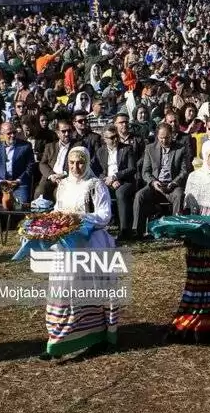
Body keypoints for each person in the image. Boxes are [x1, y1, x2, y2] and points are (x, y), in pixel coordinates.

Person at [157, 141, 210, 340]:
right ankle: (196, 316)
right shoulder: (194, 178)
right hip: (199, 235)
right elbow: (188, 208)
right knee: (199, 277)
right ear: (205, 157)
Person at [39, 147, 118, 359]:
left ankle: (97, 335)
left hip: (90, 243)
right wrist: (50, 221)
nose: (75, 167)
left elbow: (104, 215)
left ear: (87, 163)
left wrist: (79, 220)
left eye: (80, 162)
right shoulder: (63, 184)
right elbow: (59, 208)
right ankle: (58, 340)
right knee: (62, 289)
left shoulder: (95, 185)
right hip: (66, 244)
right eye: (72, 163)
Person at [133, 123, 191, 238]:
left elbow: (184, 171)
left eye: (167, 137)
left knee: (179, 195)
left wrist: (174, 183)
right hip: (155, 185)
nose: (164, 141)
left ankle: (175, 230)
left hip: (172, 184)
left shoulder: (181, 149)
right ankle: (137, 231)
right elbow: (145, 171)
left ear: (172, 135)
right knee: (140, 195)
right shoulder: (150, 148)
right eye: (161, 138)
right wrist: (153, 182)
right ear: (157, 137)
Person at [93, 125, 137, 239]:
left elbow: (132, 168)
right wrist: (108, 179)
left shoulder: (127, 148)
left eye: (116, 136)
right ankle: (98, 228)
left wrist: (115, 177)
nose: (115, 139)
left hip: (125, 181)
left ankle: (125, 230)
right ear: (105, 139)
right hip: (107, 181)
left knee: (120, 193)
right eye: (111, 138)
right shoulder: (100, 151)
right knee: (95, 191)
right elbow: (95, 169)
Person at [0, 120, 34, 211]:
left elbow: (30, 167)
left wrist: (19, 180)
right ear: (2, 134)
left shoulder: (26, 146)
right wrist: (0, 181)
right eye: (9, 133)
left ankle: (15, 223)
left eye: (14, 132)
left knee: (23, 203)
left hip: (19, 183)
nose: (12, 135)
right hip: (0, 183)